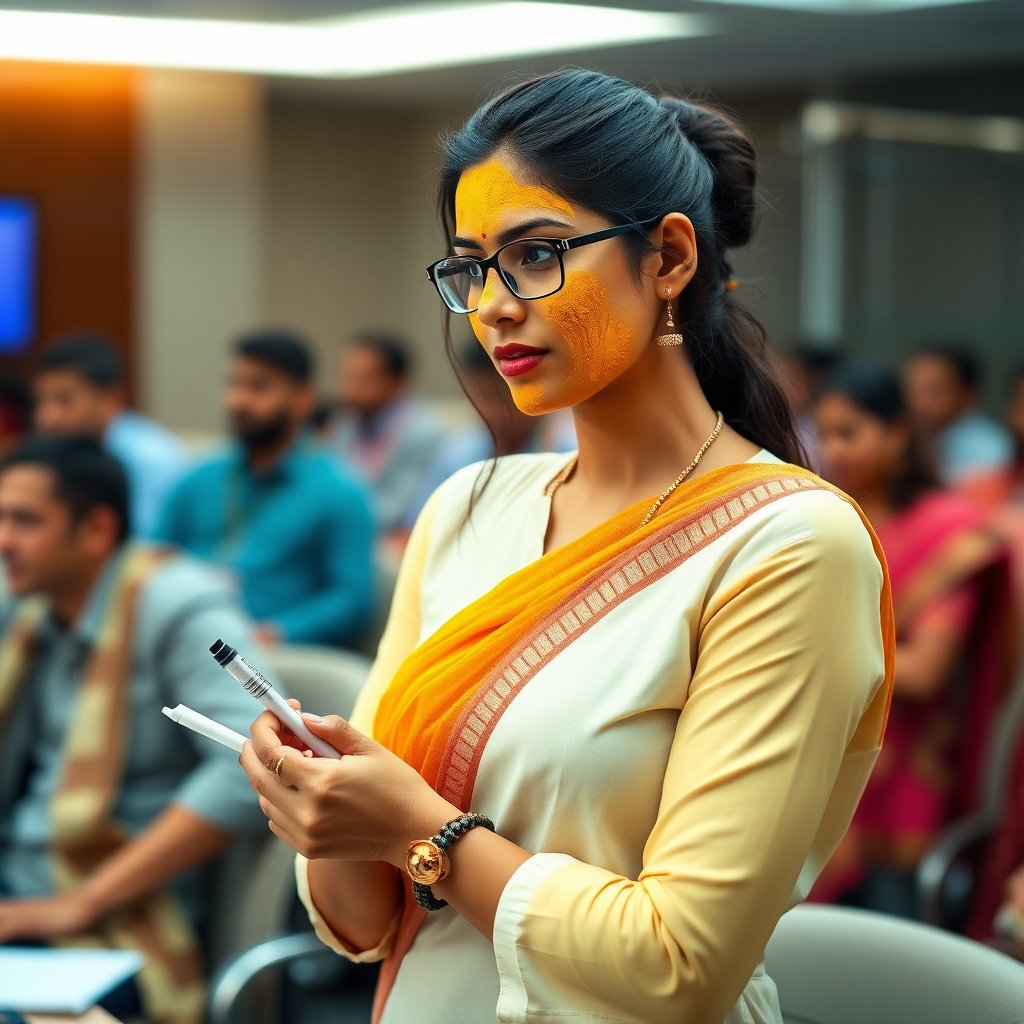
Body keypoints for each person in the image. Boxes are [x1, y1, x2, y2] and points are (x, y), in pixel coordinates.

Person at [238, 71, 895, 1024]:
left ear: (668, 258)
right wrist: (323, 815)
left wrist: (419, 831)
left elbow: (680, 963)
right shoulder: (467, 507)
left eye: (537, 254)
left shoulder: (791, 545)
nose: (494, 306)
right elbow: (367, 924)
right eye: (471, 268)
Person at [0, 437, 266, 1024]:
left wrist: (80, 903)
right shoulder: (31, 609)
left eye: (24, 520)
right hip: (19, 890)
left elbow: (254, 766)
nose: (3, 541)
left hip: (117, 921)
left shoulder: (175, 603)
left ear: (95, 531)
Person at [811, 364, 1013, 918]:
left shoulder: (950, 530)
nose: (833, 449)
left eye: (849, 432)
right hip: (820, 774)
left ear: (899, 432)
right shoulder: (829, 520)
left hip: (904, 786)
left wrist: (811, 654)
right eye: (824, 433)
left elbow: (924, 672)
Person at [158, 331, 374, 647]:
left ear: (303, 398)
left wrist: (276, 632)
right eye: (234, 384)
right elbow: (151, 558)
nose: (238, 400)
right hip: (186, 639)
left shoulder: (340, 492)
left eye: (258, 386)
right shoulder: (200, 477)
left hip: (271, 660)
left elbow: (353, 601)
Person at [404, 341, 576, 526]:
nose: (489, 411)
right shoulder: (458, 451)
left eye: (502, 398)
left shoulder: (570, 451)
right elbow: (422, 521)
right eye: (480, 397)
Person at [33, 335, 188, 538]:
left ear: (112, 398)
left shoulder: (153, 459)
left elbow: (146, 549)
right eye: (41, 401)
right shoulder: (54, 455)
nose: (48, 417)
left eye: (64, 400)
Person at [329, 333, 446, 533]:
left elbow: (395, 511)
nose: (349, 391)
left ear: (395, 382)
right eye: (348, 378)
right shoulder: (347, 420)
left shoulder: (421, 432)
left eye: (363, 380)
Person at [903, 342, 1012, 488]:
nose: (920, 403)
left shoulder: (990, 451)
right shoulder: (904, 436)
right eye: (915, 390)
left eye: (935, 391)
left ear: (969, 395)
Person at [776, 341, 841, 473]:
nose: (782, 385)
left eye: (791, 378)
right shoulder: (783, 420)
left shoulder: (825, 422)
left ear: (816, 380)